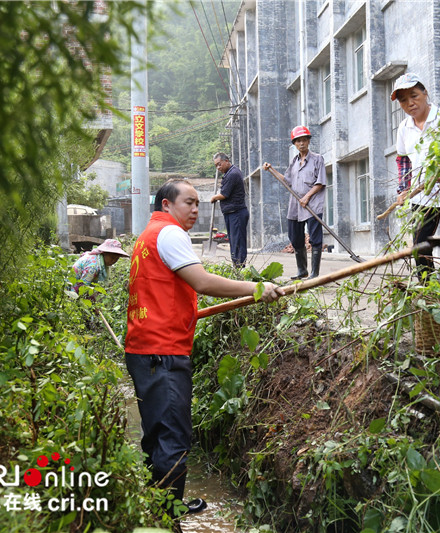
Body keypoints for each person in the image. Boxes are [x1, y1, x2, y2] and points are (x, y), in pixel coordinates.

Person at [124, 178, 283, 520]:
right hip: (162, 352)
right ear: (166, 204)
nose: (196, 209)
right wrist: (256, 287)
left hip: (144, 348)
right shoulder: (170, 233)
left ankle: (160, 505)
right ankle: (167, 518)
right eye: (189, 202)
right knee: (173, 436)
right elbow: (203, 281)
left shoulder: (147, 236)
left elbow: (166, 290)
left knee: (156, 431)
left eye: (198, 203)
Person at [392, 73, 440, 281]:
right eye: (404, 100)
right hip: (421, 196)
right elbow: (403, 160)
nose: (410, 103)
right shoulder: (403, 128)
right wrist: (403, 189)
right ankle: (428, 292)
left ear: (425, 93)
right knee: (420, 246)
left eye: (414, 96)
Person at [262, 125, 327, 279]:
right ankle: (302, 270)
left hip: (313, 203)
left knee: (315, 238)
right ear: (294, 144)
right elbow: (287, 181)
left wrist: (307, 197)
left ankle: (314, 273)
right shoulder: (294, 162)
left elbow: (321, 182)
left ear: (308, 141)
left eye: (304, 140)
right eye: (298, 141)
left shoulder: (317, 159)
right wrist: (272, 169)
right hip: (296, 205)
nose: (301, 143)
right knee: (295, 237)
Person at [210, 153, 249, 268]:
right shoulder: (229, 173)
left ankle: (240, 268)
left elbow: (224, 194)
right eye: (216, 166)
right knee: (234, 241)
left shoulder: (233, 174)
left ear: (226, 161)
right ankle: (236, 266)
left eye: (219, 164)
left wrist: (214, 197)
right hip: (231, 213)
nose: (218, 168)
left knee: (237, 242)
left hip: (236, 213)